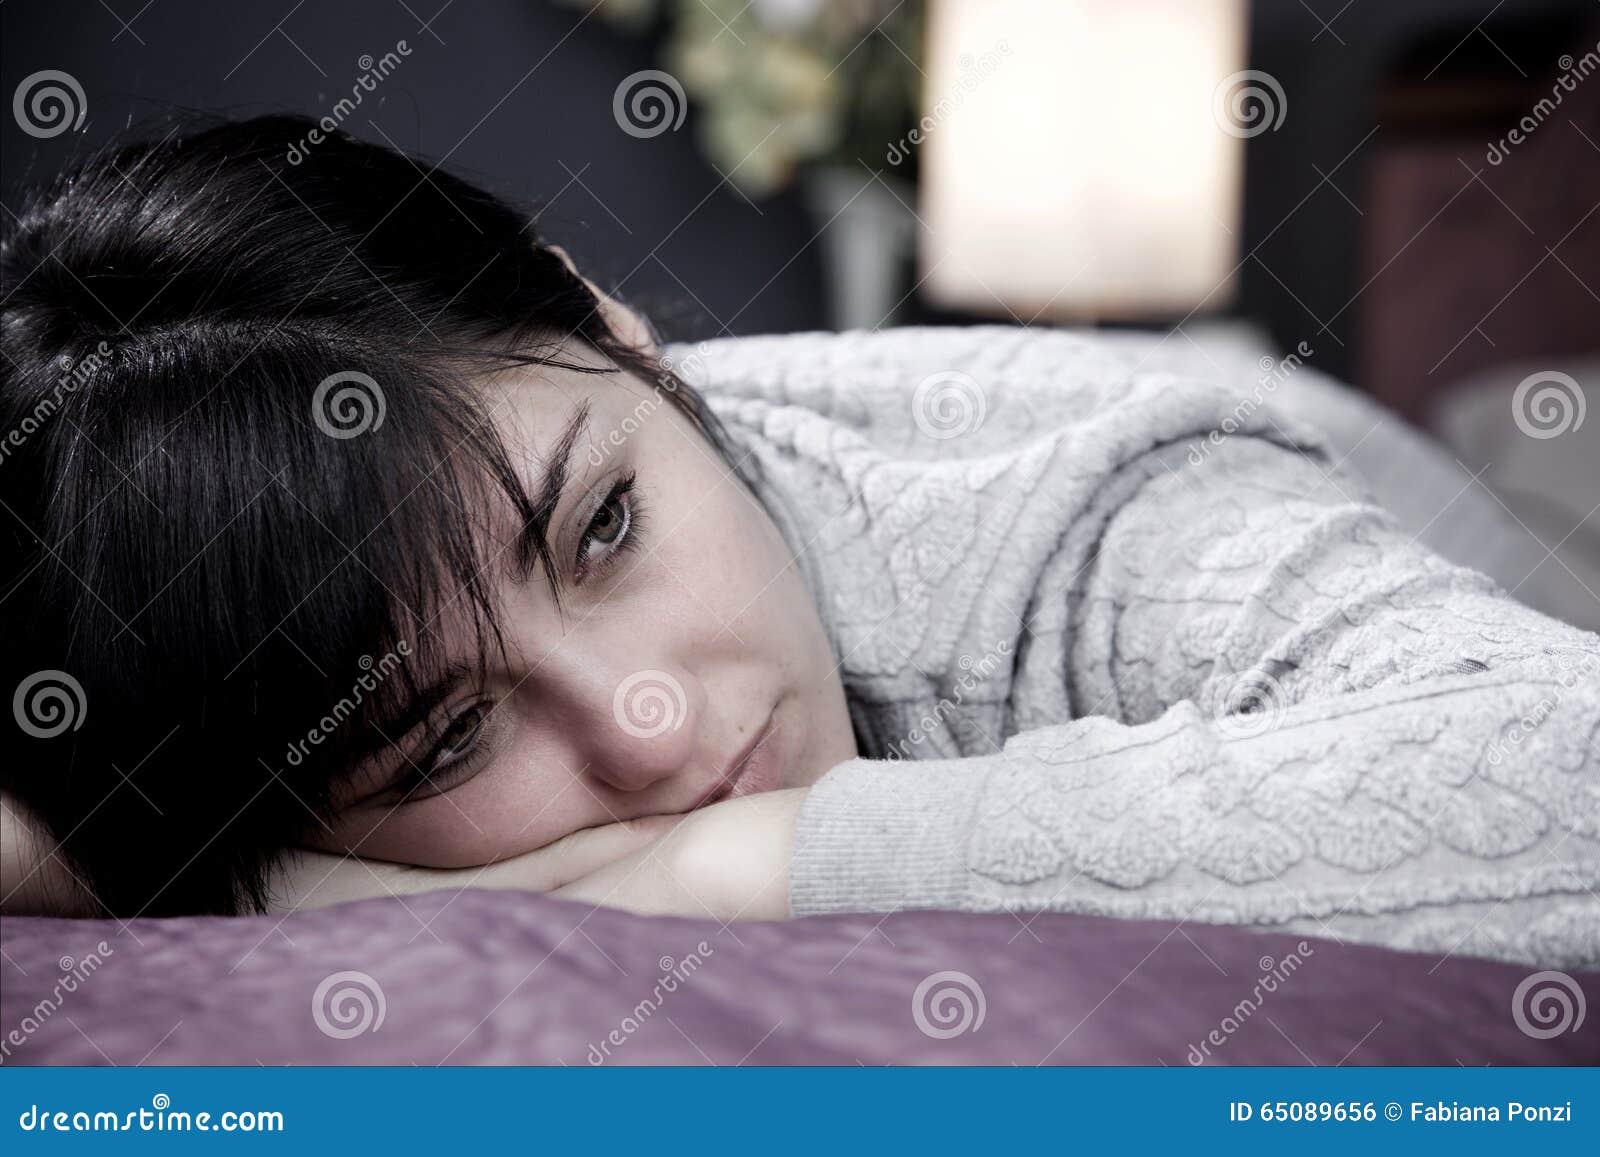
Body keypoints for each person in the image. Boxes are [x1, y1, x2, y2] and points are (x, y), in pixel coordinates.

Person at [3, 116, 1596, 968]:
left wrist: (734, 866)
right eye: (444, 741)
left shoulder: (1076, 514)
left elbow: (1564, 781)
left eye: (609, 526)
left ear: (623, 331)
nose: (648, 723)